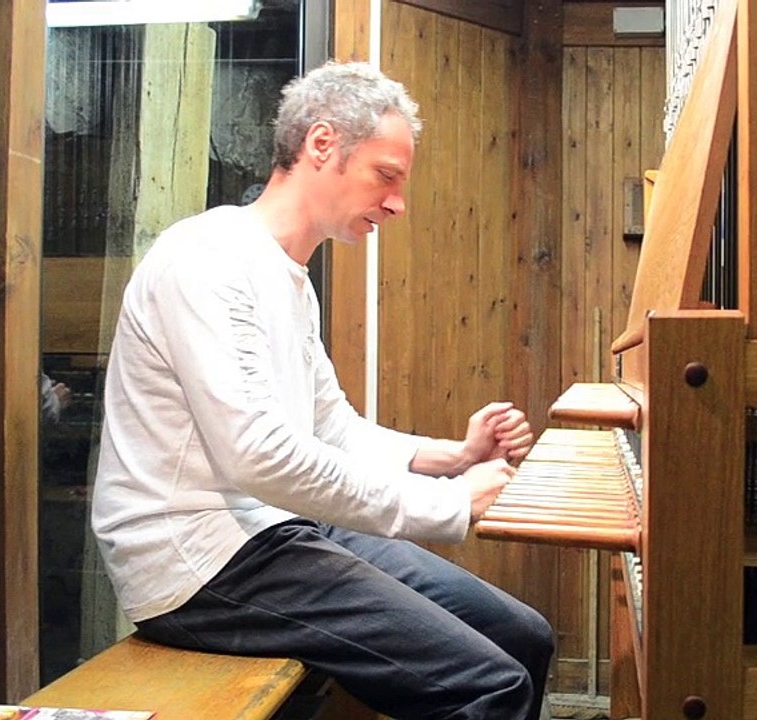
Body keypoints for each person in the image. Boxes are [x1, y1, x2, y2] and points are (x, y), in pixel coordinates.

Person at [91, 61, 554, 720]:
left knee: (524, 637)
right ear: (321, 145)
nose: (397, 203)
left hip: (276, 533)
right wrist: (447, 505)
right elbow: (259, 455)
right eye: (386, 177)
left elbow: (332, 429)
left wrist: (454, 455)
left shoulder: (290, 278)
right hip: (199, 564)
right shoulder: (207, 259)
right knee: (490, 685)